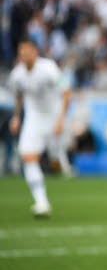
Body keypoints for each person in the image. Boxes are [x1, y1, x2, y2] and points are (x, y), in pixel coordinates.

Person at [8, 38, 72, 217]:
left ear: (35, 52)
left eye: (27, 51)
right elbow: (18, 95)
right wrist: (16, 117)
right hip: (34, 118)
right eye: (21, 52)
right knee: (28, 156)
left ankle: (60, 163)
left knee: (54, 163)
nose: (24, 55)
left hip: (54, 117)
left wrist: (61, 120)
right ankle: (41, 202)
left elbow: (66, 92)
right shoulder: (17, 74)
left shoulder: (49, 69)